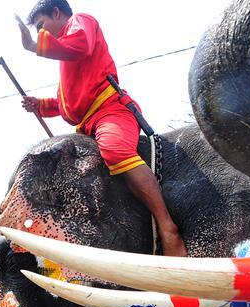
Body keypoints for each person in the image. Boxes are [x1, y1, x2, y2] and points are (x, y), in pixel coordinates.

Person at [15, 0, 187, 257]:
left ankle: (167, 227)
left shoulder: (81, 22)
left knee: (114, 151)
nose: (42, 34)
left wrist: (34, 46)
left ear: (56, 12)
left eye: (42, 27)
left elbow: (80, 46)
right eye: (38, 32)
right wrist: (40, 105)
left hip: (110, 112)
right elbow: (68, 106)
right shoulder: (65, 61)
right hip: (86, 125)